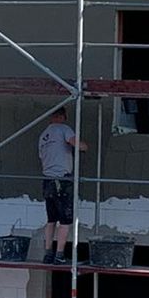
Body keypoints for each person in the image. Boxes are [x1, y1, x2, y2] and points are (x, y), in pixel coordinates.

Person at [38, 107, 88, 264]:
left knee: (51, 219)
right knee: (65, 221)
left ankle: (48, 254)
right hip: (62, 181)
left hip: (47, 181)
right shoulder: (63, 129)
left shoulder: (43, 135)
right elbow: (77, 144)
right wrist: (84, 146)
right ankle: (59, 255)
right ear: (62, 117)